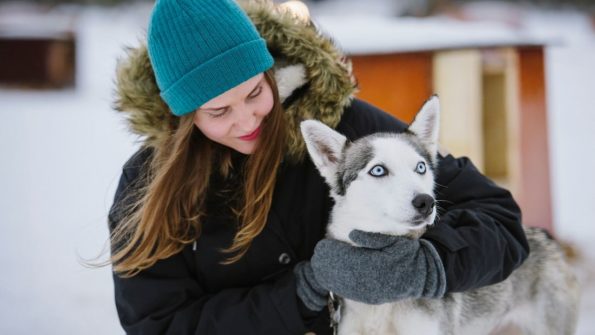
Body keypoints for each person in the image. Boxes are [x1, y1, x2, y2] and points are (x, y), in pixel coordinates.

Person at [108, 0, 529, 334]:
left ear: (269, 73)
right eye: (219, 111)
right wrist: (301, 292)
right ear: (184, 117)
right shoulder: (148, 185)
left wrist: (426, 266)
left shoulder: (345, 128)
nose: (247, 120)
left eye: (255, 92)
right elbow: (159, 324)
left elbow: (500, 221)